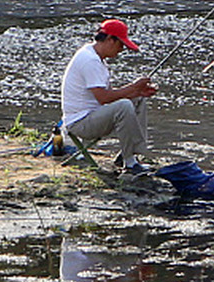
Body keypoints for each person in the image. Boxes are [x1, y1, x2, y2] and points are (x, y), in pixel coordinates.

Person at [59, 18, 158, 173]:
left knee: (138, 100)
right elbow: (104, 98)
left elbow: (106, 96)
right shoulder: (90, 60)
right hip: (80, 124)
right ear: (110, 40)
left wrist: (137, 92)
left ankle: (130, 153)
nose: (121, 50)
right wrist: (133, 87)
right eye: (121, 45)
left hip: (92, 115)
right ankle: (130, 162)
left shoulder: (94, 56)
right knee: (124, 106)